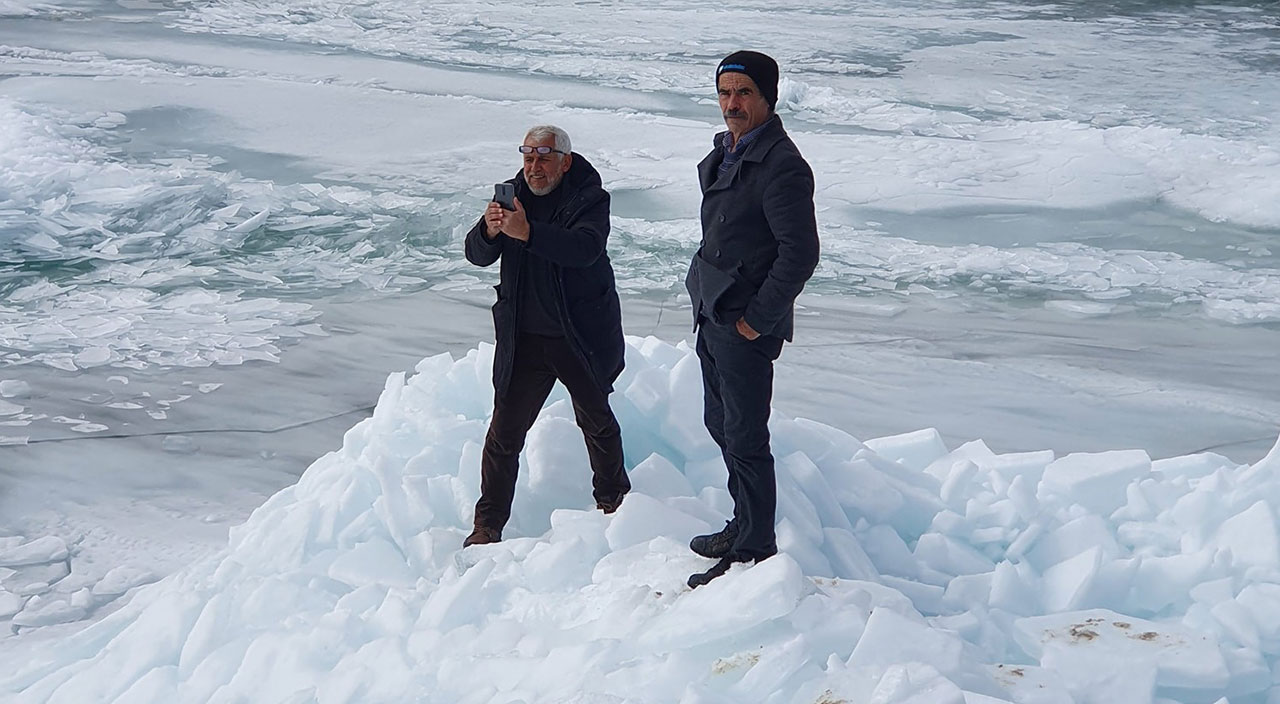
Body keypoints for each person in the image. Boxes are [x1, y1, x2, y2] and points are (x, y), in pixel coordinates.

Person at [684, 51, 820, 587]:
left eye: (743, 93)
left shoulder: (783, 165)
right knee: (721, 424)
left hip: (743, 322)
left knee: (745, 434)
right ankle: (742, 523)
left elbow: (800, 253)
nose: (732, 104)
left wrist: (757, 320)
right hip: (714, 309)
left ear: (768, 97)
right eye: (725, 93)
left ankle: (755, 547)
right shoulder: (729, 152)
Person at [462, 125, 629, 547]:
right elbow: (476, 255)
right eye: (528, 158)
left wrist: (528, 233)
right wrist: (489, 230)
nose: (535, 168)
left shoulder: (589, 198)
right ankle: (487, 525)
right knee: (503, 436)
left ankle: (615, 507)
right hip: (525, 338)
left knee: (597, 423)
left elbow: (584, 249)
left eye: (544, 158)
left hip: (578, 335)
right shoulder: (513, 198)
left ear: (564, 162)